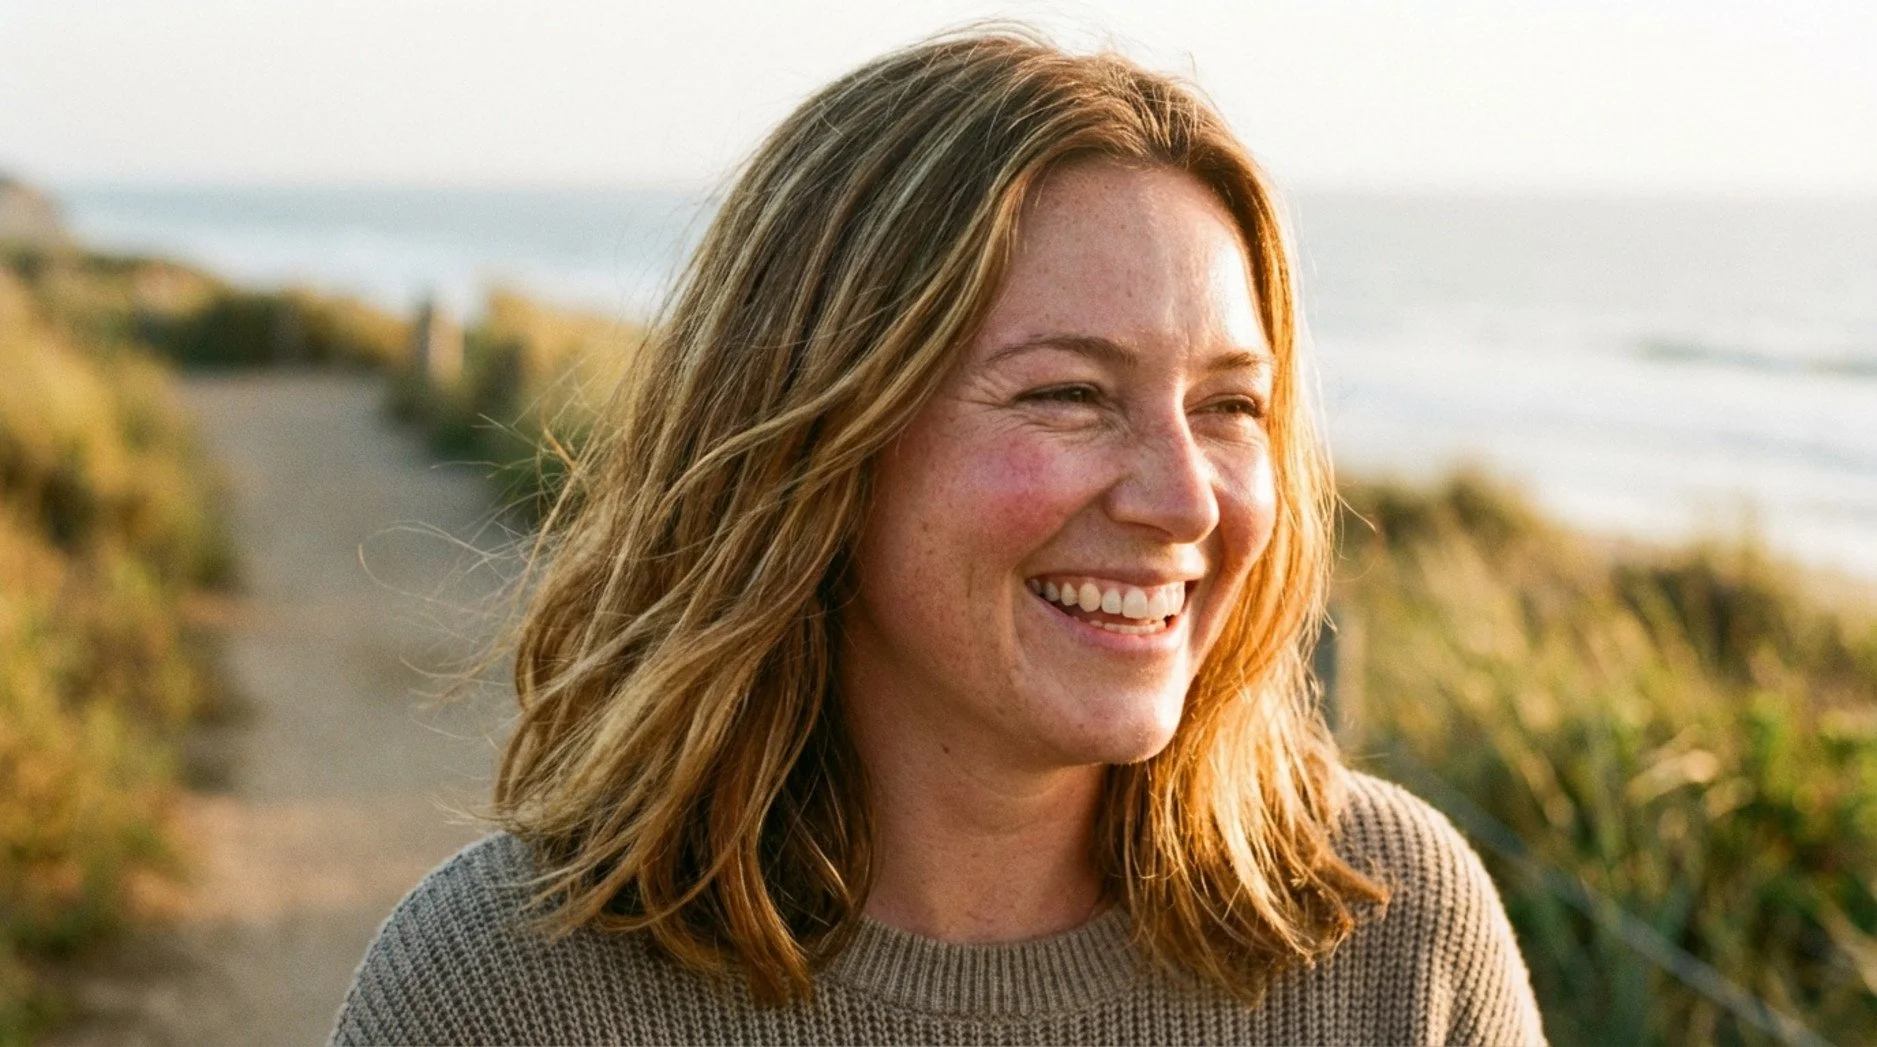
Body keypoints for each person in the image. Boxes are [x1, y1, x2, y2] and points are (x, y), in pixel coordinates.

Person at [332, 28, 1544, 1046]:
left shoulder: (1391, 938)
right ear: (817, 440)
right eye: (1068, 394)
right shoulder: (500, 993)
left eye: (1229, 406)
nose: (1183, 502)